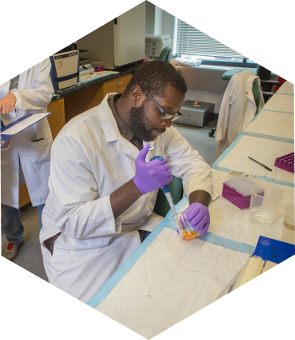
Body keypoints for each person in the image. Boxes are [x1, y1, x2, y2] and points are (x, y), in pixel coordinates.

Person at [40, 60, 213, 303]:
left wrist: (200, 203)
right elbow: (73, 223)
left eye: (174, 114)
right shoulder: (76, 139)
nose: (168, 123)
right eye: (163, 112)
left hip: (136, 226)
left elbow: (195, 166)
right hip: (82, 248)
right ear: (136, 94)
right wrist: (136, 187)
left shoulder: (158, 130)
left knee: (188, 281)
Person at [1, 58, 54, 261]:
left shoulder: (40, 59)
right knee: (7, 194)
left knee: (44, 192)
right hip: (5, 136)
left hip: (33, 135)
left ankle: (48, 236)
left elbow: (45, 93)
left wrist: (16, 96)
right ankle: (14, 237)